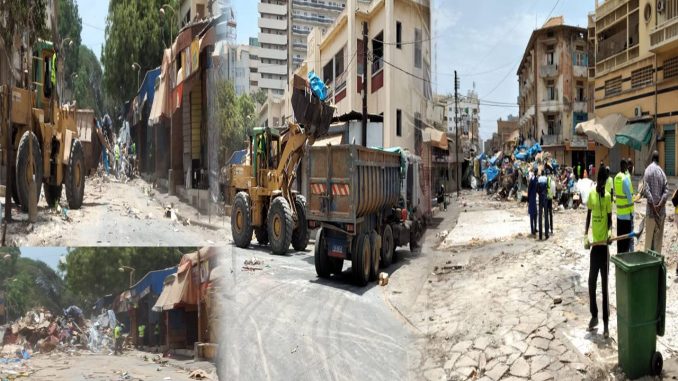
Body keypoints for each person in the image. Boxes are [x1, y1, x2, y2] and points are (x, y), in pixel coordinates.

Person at [585, 168, 612, 338]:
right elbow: (588, 217)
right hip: (595, 248)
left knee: (604, 288)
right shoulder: (591, 196)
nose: (604, 186)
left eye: (605, 183)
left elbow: (609, 221)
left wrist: (609, 233)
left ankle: (606, 324)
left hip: (604, 249)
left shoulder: (608, 197)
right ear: (598, 180)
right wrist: (585, 235)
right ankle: (594, 316)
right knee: (591, 283)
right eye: (602, 182)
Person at [643, 150, 669, 253]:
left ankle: (647, 266)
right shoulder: (662, 172)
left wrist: (654, 208)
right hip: (661, 213)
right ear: (658, 160)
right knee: (658, 242)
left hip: (651, 213)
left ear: (652, 159)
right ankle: (656, 265)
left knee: (648, 241)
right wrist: (659, 206)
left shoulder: (647, 170)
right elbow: (666, 191)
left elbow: (646, 190)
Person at [614, 160, 633, 253]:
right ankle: (625, 258)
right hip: (626, 215)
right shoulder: (625, 179)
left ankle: (619, 256)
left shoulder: (616, 177)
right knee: (626, 240)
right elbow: (630, 198)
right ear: (625, 167)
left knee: (619, 239)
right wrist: (632, 213)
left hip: (619, 214)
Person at [626, 158, 636, 252]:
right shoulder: (627, 177)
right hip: (629, 211)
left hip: (623, 212)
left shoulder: (623, 176)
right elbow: (630, 197)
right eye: (632, 165)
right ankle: (631, 252)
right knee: (631, 235)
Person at [538, 168, 549, 240]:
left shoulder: (539, 179)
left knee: (540, 217)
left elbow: (537, 189)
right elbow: (548, 187)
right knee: (546, 216)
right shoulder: (546, 179)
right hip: (545, 198)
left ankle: (540, 235)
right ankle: (546, 234)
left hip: (540, 199)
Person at [528, 168, 538, 236]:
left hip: (534, 198)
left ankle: (535, 228)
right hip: (532, 198)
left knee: (535, 214)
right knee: (532, 215)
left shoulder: (536, 179)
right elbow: (529, 189)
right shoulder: (532, 180)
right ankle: (532, 230)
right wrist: (528, 199)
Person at [546, 167, 555, 236]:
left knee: (546, 214)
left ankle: (547, 228)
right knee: (550, 214)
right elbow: (554, 193)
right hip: (550, 199)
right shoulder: (552, 182)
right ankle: (551, 229)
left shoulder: (545, 181)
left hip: (546, 199)